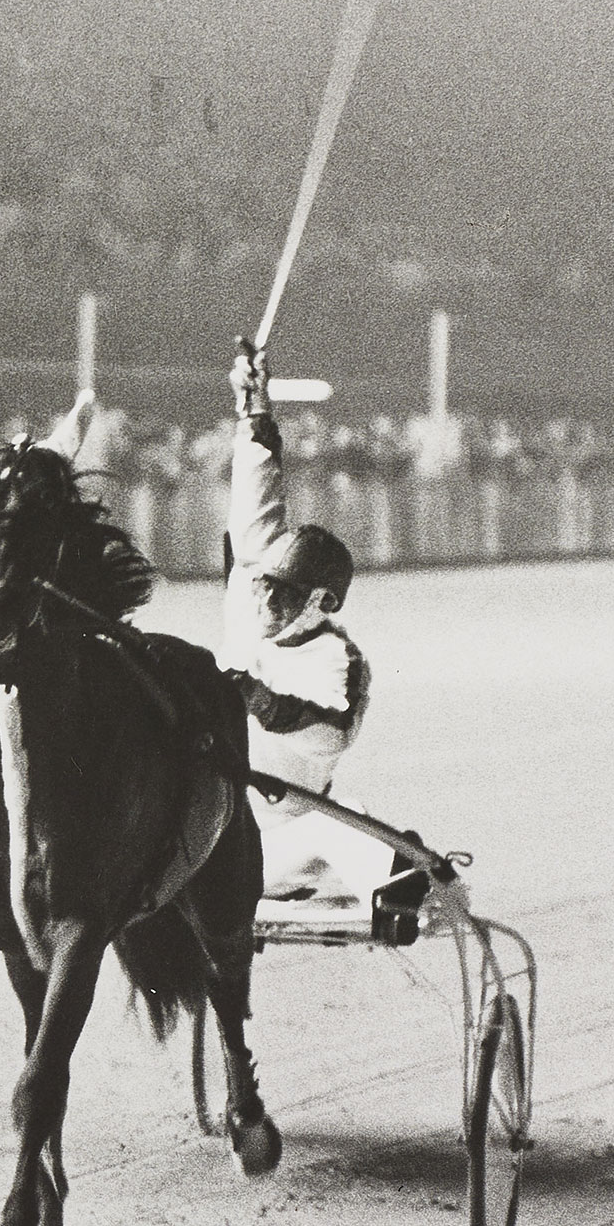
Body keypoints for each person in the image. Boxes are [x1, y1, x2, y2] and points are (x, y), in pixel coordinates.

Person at [219, 341, 443, 926]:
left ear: (321, 604)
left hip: (270, 851)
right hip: (206, 832)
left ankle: (406, 884)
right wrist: (254, 409)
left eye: (283, 594)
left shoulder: (338, 661)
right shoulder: (256, 593)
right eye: (266, 586)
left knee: (337, 817)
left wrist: (254, 697)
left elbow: (330, 735)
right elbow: (257, 502)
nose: (265, 600)